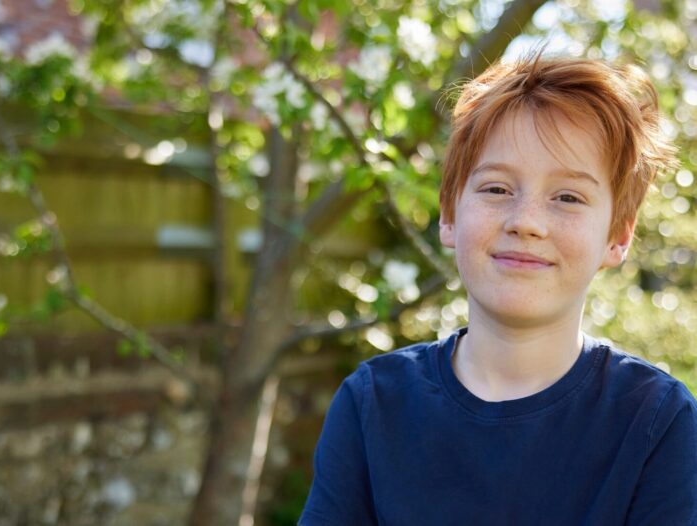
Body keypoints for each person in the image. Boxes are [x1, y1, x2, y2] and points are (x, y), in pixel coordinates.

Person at [298, 54, 697, 525]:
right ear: (449, 214)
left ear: (618, 237)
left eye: (567, 197)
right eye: (496, 189)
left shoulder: (656, 421)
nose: (526, 222)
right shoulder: (372, 404)